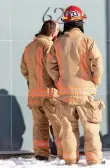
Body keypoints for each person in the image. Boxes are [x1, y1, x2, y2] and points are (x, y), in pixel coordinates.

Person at [46, 5, 105, 165]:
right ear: (80, 22)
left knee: (69, 129)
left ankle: (70, 160)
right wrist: (95, 81)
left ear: (66, 23)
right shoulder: (87, 40)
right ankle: (93, 161)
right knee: (91, 129)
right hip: (85, 92)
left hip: (65, 93)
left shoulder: (57, 42)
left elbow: (50, 66)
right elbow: (98, 64)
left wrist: (59, 81)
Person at [20, 20, 62, 160]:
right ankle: (64, 154)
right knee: (59, 124)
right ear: (53, 32)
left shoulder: (29, 46)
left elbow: (24, 70)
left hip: (34, 95)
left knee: (39, 126)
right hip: (50, 93)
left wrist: (34, 81)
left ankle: (41, 154)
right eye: (58, 31)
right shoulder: (49, 46)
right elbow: (54, 69)